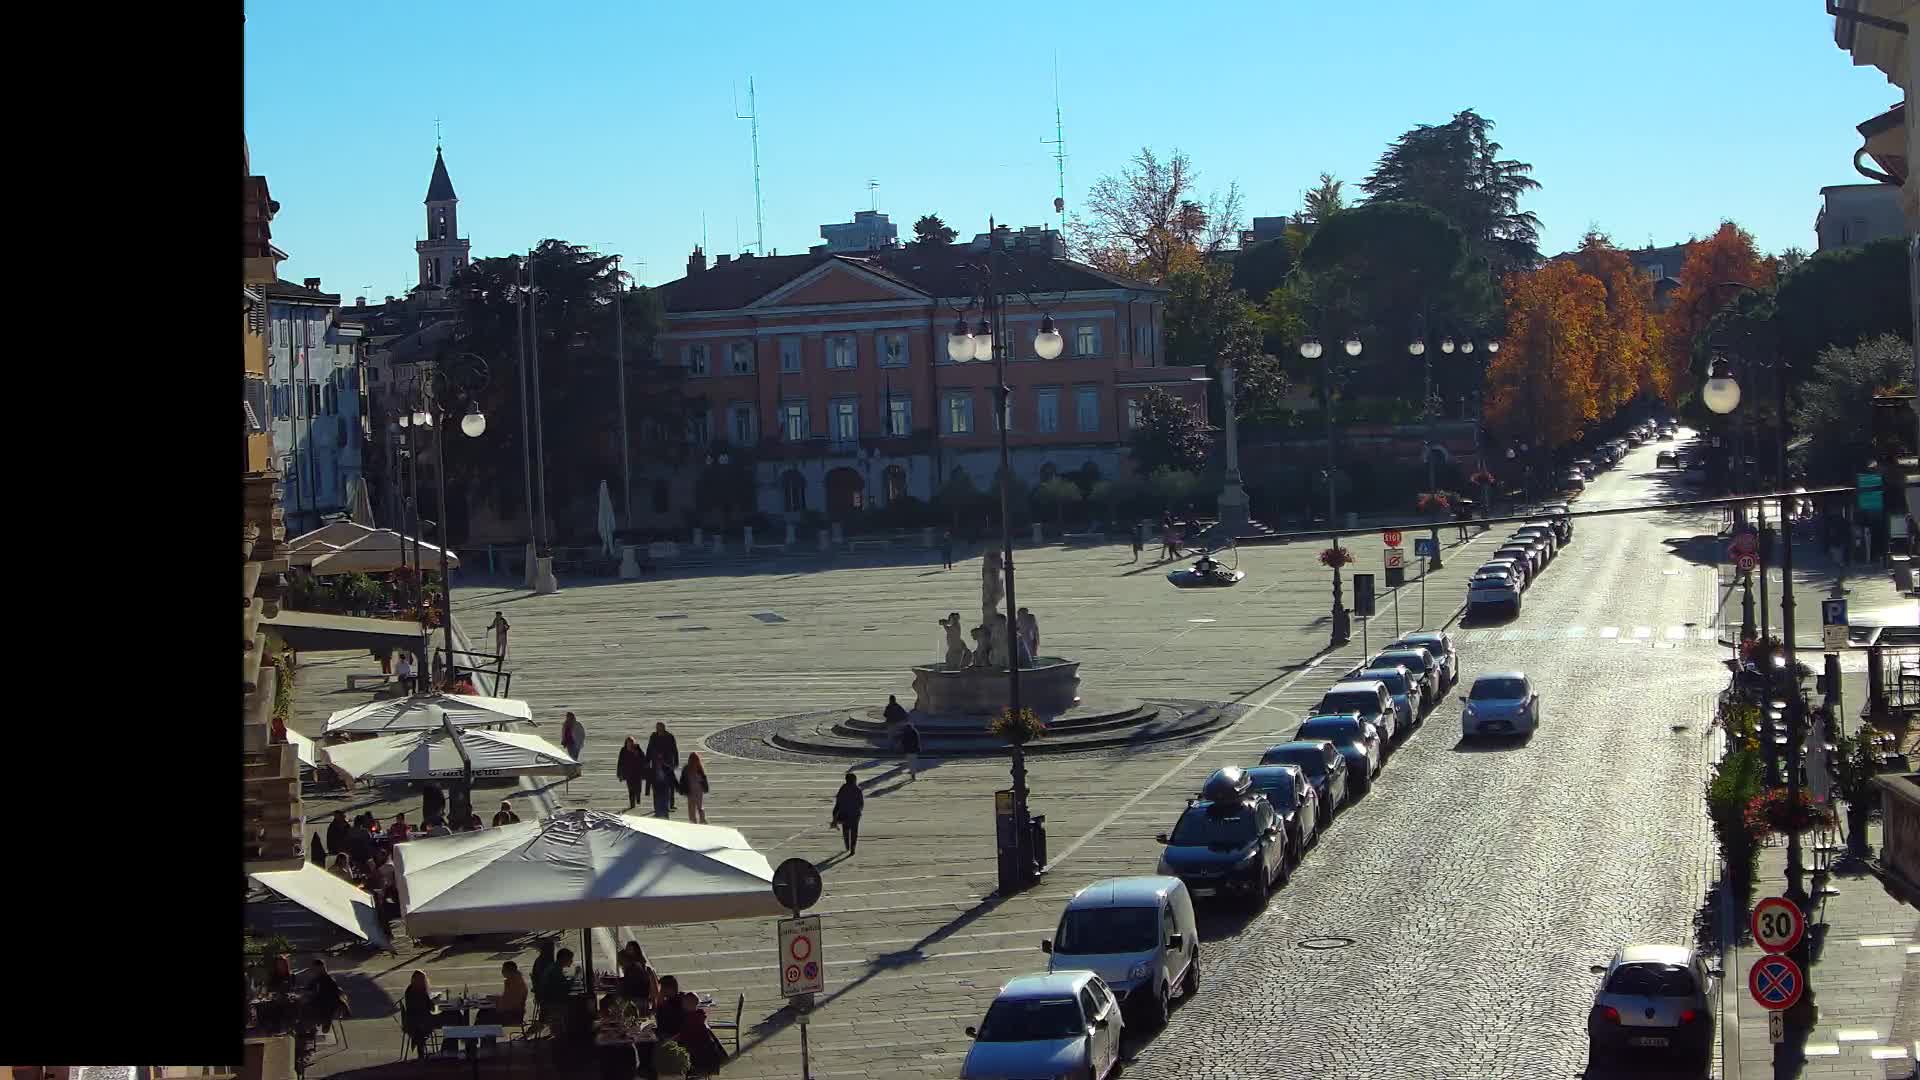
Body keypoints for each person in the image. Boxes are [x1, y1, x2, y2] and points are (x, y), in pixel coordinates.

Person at [677, 993, 729, 1075]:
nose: (682, 1005)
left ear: (689, 1004)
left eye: (684, 1003)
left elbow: (684, 1036)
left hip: (699, 1058)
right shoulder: (699, 1015)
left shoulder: (690, 1019)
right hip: (709, 1056)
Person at [301, 958, 350, 1034]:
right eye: (314, 968)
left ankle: (325, 1022)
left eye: (316, 968)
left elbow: (334, 993)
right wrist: (303, 991)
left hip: (326, 1005)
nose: (314, 970)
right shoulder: (316, 979)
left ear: (321, 968)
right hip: (319, 1004)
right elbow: (309, 989)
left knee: (313, 1007)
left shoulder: (328, 979)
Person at [476, 960, 527, 1026]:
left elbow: (508, 1003)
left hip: (512, 1015)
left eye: (503, 970)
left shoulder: (515, 983)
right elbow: (507, 999)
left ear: (509, 971)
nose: (502, 972)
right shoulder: (514, 980)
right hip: (512, 1012)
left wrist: (494, 1001)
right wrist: (494, 999)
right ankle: (476, 1034)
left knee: (484, 1016)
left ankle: (475, 1034)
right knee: (483, 1012)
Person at [401, 970, 439, 1058]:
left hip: (412, 1021)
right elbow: (430, 1008)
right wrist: (434, 1000)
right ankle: (450, 1047)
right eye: (422, 979)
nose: (423, 981)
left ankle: (422, 1047)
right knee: (451, 1019)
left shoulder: (410, 989)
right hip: (420, 1022)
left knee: (449, 1019)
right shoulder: (420, 991)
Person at [646, 722, 681, 810]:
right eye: (658, 728)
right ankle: (656, 805)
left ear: (664, 728)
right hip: (656, 764)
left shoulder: (669, 737)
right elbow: (649, 749)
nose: (659, 730)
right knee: (656, 786)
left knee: (670, 785)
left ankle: (671, 804)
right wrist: (647, 761)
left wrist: (676, 761)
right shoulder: (653, 737)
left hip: (667, 764)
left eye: (660, 728)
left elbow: (674, 749)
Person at [831, 771, 865, 855]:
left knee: (846, 831)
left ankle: (847, 847)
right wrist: (859, 811)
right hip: (855, 815)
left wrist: (835, 814)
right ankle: (852, 849)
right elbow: (861, 803)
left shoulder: (842, 789)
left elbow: (838, 802)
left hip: (844, 814)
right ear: (854, 780)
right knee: (854, 832)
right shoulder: (857, 790)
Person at [680, 752, 711, 823]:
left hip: (694, 790)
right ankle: (701, 820)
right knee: (698, 806)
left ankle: (696, 821)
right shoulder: (697, 768)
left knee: (693, 807)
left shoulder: (688, 768)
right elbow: (704, 778)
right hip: (695, 790)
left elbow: (682, 780)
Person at [617, 736, 646, 811]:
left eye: (631, 742)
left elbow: (643, 759)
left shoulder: (637, 749)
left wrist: (637, 754)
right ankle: (632, 804)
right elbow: (620, 762)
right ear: (626, 743)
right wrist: (619, 774)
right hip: (628, 773)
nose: (629, 744)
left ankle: (638, 796)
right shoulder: (623, 750)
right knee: (630, 789)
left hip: (637, 772)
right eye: (628, 743)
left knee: (638, 787)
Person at [648, 751, 676, 818]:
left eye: (660, 760)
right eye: (657, 760)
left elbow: (673, 779)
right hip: (657, 789)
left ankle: (665, 817)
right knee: (658, 805)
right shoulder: (653, 770)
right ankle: (658, 814)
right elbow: (649, 780)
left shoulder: (667, 768)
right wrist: (647, 790)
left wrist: (677, 787)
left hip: (665, 790)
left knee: (665, 805)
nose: (659, 761)